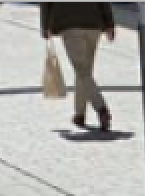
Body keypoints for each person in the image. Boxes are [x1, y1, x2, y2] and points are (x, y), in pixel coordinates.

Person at [42, 2, 115, 133]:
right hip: (93, 22)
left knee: (82, 72)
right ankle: (80, 114)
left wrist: (45, 25)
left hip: (69, 23)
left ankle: (101, 108)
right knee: (84, 72)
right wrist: (109, 23)